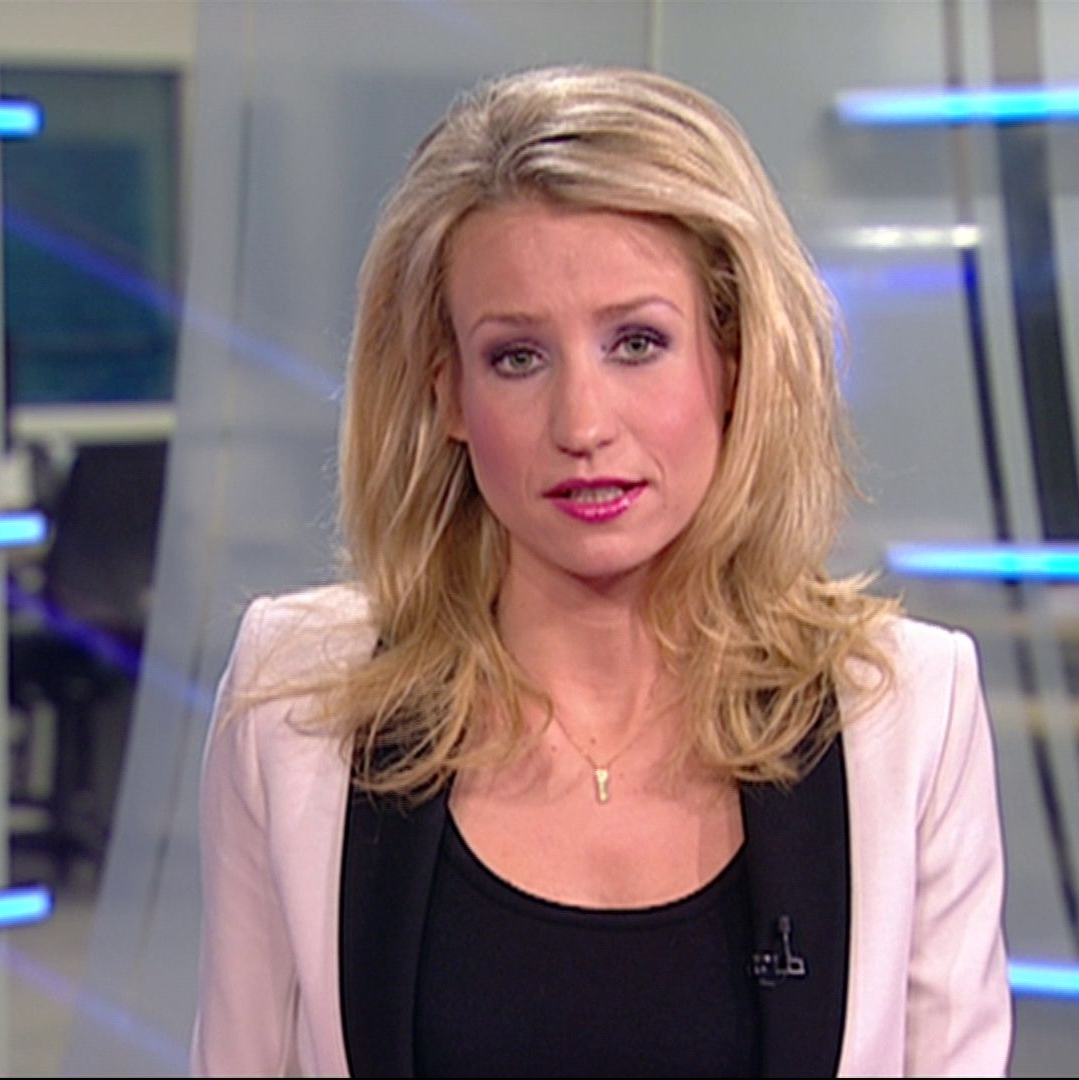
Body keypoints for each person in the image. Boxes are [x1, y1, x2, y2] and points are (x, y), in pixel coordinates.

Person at [192, 65, 1012, 1077]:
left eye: (637, 343)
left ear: (735, 363)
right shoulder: (295, 704)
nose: (582, 424)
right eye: (517, 357)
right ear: (447, 394)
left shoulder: (905, 710)